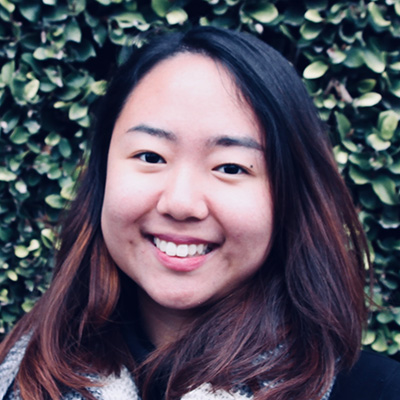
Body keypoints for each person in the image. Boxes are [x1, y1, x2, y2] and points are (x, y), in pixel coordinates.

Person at [0, 26, 399, 400]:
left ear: (289, 196)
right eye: (151, 156)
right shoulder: (17, 378)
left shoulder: (375, 390)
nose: (181, 203)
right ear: (102, 176)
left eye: (230, 167)